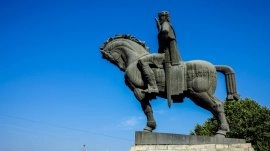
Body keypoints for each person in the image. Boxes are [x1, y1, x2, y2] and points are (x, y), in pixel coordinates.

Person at [138, 11, 182, 94]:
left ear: (165, 17)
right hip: (166, 53)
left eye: (160, 17)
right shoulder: (165, 25)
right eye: (159, 17)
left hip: (166, 55)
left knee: (142, 61)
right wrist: (159, 27)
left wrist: (162, 29)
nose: (159, 19)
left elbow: (165, 32)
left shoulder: (165, 24)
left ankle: (153, 86)